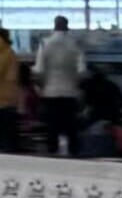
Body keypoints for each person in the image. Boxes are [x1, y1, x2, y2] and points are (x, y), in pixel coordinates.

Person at [36, 16, 87, 155]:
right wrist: (75, 82)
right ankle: (73, 154)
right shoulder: (75, 45)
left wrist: (42, 85)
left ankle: (52, 153)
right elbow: (82, 71)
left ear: (54, 26)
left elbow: (39, 70)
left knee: (52, 127)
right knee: (71, 127)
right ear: (67, 27)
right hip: (70, 92)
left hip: (50, 92)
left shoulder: (45, 44)